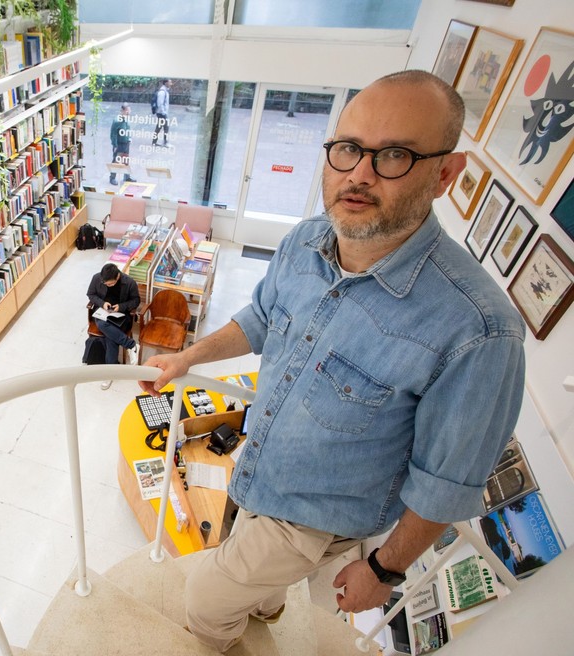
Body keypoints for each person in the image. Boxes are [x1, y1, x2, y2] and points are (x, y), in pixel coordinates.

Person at [138, 70, 526, 652]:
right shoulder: (309, 240)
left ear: (445, 174)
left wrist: (384, 571)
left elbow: (445, 486)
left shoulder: (479, 330)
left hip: (313, 520)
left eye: (394, 154)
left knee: (204, 599)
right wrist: (188, 356)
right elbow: (262, 318)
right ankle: (263, 611)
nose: (359, 174)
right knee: (250, 584)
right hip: (255, 469)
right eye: (347, 149)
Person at [87, 263, 140, 389]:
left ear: (118, 277)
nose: (108, 286)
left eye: (111, 284)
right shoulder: (97, 278)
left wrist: (121, 307)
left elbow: (136, 300)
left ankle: (109, 374)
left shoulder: (130, 282)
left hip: (121, 315)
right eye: (106, 284)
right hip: (103, 313)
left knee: (110, 335)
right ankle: (131, 345)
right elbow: (91, 294)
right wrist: (102, 303)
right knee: (105, 327)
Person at [109, 103, 136, 185]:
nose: (130, 111)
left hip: (126, 143)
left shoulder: (126, 119)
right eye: (128, 110)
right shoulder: (117, 120)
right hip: (119, 144)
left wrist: (129, 138)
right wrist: (115, 145)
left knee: (126, 160)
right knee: (116, 161)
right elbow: (113, 134)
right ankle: (112, 177)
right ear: (124, 111)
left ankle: (127, 177)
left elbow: (127, 129)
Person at [151, 79, 172, 147]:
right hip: (161, 113)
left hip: (161, 113)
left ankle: (154, 142)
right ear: (166, 83)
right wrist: (164, 112)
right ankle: (165, 142)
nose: (171, 84)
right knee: (166, 127)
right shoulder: (162, 92)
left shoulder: (165, 91)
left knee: (159, 127)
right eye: (170, 82)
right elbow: (160, 103)